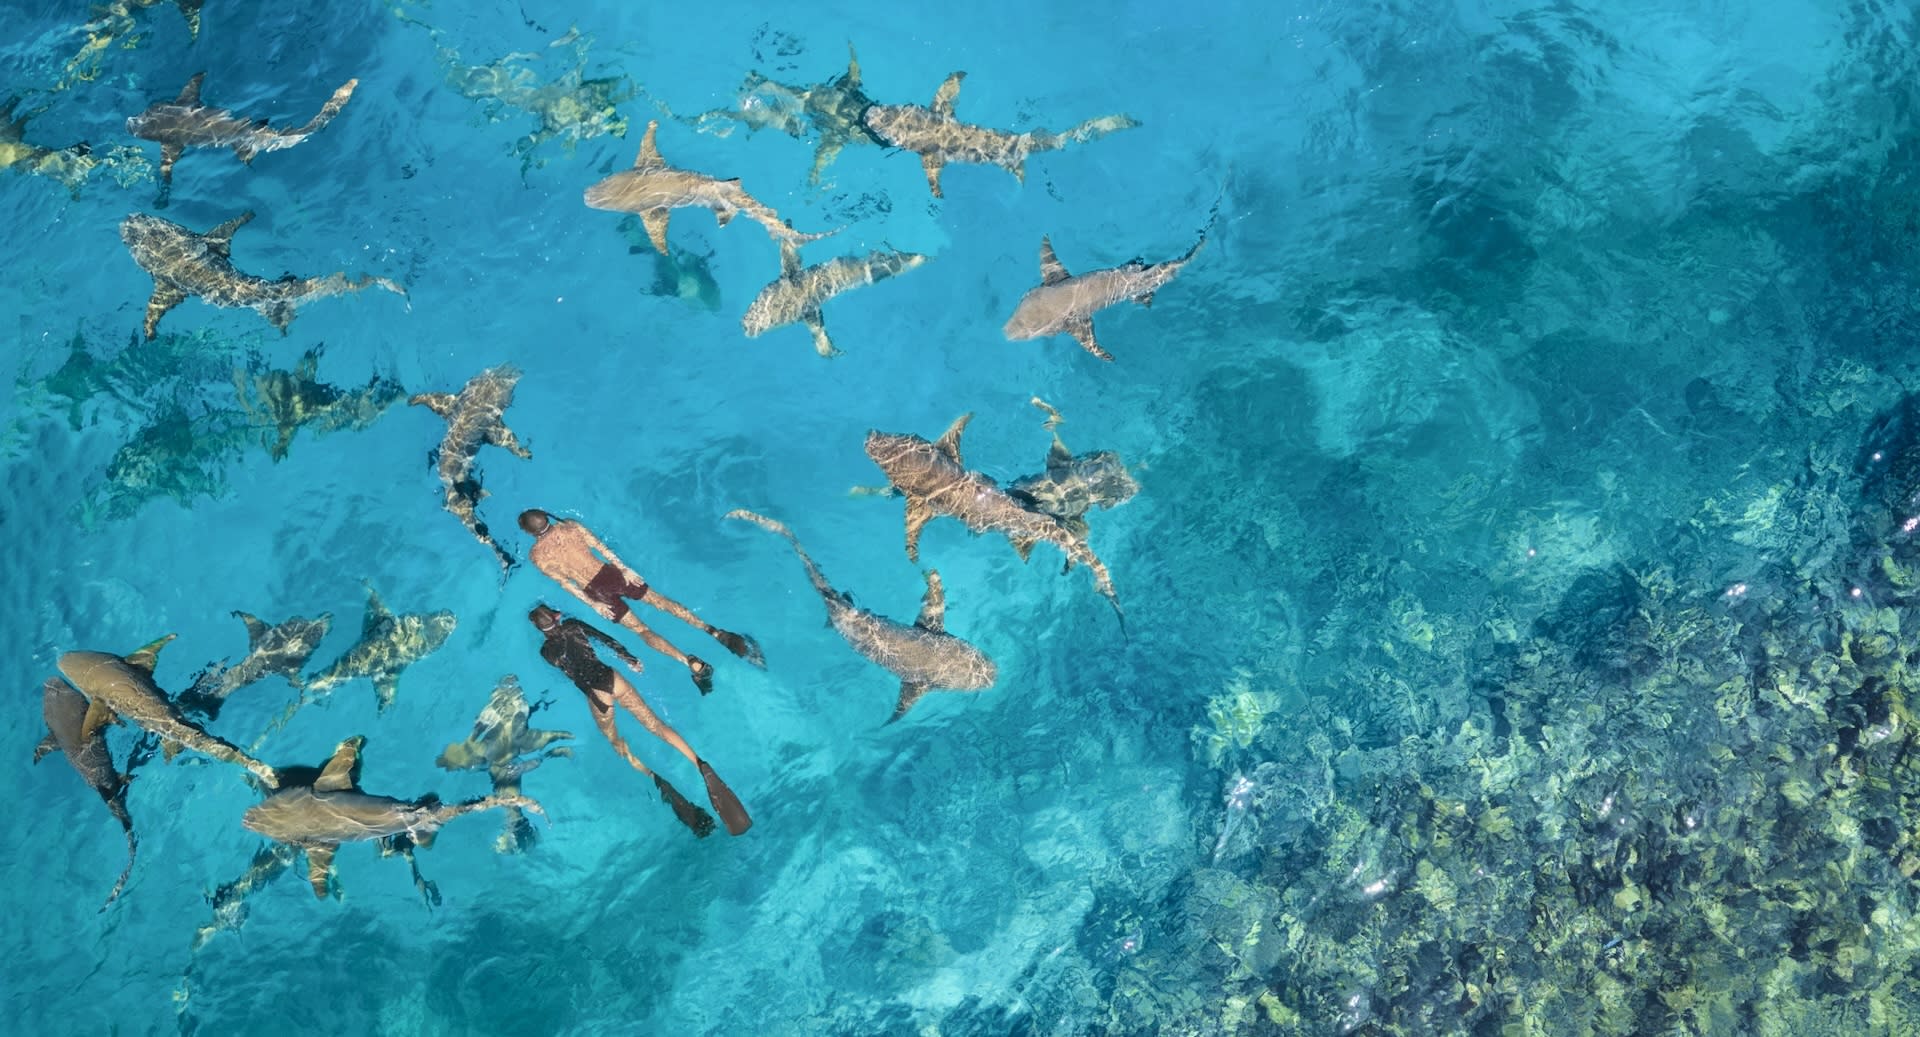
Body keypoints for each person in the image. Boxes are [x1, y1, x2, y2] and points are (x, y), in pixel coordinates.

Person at [527, 604, 751, 837]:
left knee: (615, 742)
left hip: (597, 694)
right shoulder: (573, 626)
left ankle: (654, 777)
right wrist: (629, 658)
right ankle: (699, 763)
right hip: (612, 677)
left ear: (538, 629)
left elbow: (569, 669)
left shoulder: (546, 652)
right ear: (557, 615)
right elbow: (605, 639)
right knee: (656, 725)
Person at [519, 508, 763, 694]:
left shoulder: (537, 556)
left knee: (641, 630)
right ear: (546, 519)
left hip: (595, 592)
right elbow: (602, 548)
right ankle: (713, 632)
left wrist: (594, 605)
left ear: (530, 532)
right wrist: (625, 570)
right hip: (612, 574)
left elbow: (566, 584)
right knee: (661, 601)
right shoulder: (570, 526)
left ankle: (689, 662)